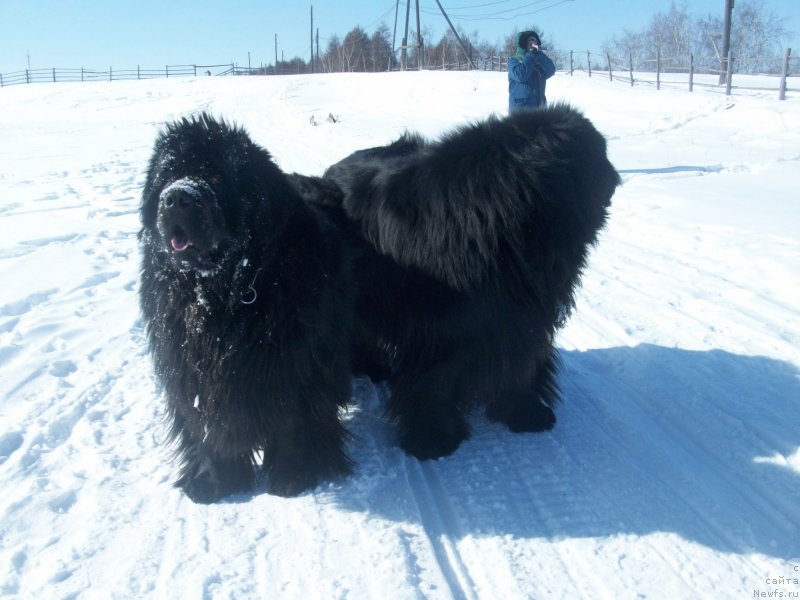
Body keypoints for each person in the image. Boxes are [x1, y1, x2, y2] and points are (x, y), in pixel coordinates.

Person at [508, 31, 556, 113]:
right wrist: (531, 55)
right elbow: (521, 76)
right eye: (530, 41)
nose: (533, 44)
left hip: (539, 109)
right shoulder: (514, 61)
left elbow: (551, 70)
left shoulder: (538, 63)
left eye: (535, 41)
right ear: (524, 44)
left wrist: (539, 55)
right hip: (521, 111)